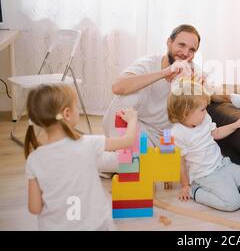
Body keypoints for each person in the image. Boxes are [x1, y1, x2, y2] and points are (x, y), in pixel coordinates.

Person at [24, 84, 138, 230]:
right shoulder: (88, 143)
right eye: (75, 106)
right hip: (95, 225)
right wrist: (132, 120)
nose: (77, 110)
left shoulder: (34, 160)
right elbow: (127, 141)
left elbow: (34, 208)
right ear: (67, 114)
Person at [101, 24, 204, 172]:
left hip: (156, 137)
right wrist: (164, 73)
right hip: (129, 126)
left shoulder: (193, 74)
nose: (185, 53)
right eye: (181, 45)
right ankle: (118, 156)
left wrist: (194, 89)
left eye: (191, 50)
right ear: (169, 43)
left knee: (138, 165)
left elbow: (213, 94)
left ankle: (115, 161)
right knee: (129, 93)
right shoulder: (148, 64)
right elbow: (117, 87)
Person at [167, 79, 240, 212]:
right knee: (234, 203)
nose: (206, 112)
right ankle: (196, 192)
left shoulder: (204, 118)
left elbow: (216, 133)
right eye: (202, 109)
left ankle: (227, 186)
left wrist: (236, 124)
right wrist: (185, 186)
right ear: (185, 113)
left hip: (222, 164)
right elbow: (179, 162)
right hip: (205, 175)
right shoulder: (177, 133)